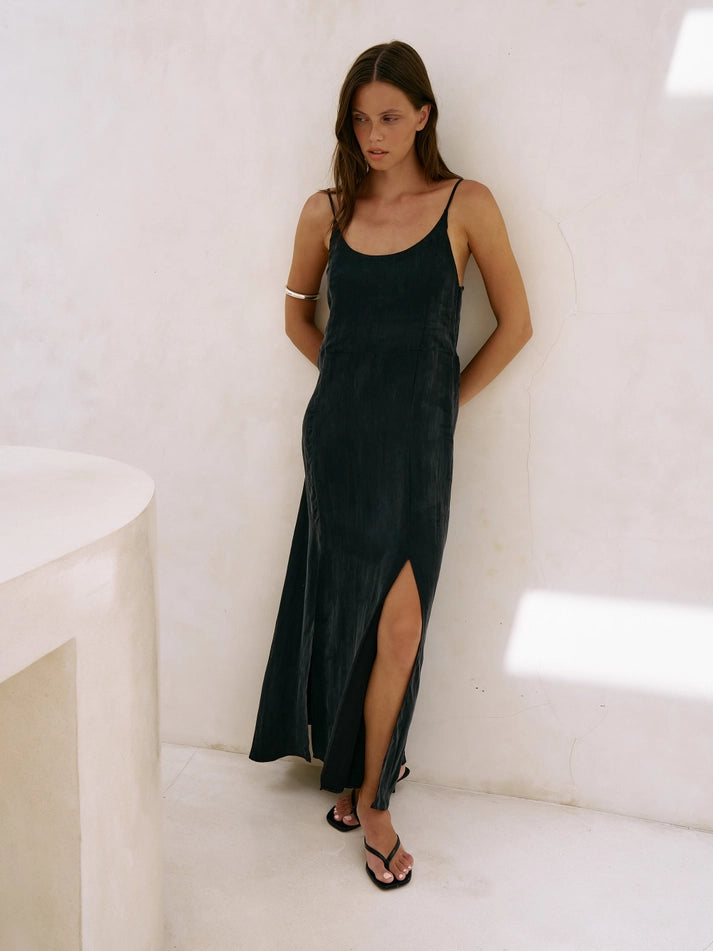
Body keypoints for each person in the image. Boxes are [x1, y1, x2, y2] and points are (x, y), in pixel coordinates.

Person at [249, 40, 532, 890]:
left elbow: (516, 325)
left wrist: (442, 405)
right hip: (338, 442)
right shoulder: (325, 212)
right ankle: (363, 778)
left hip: (417, 452)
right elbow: (297, 317)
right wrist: (347, 385)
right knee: (346, 616)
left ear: (422, 116)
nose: (372, 134)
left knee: (400, 626)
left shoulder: (466, 204)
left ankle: (370, 797)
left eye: (389, 116)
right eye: (359, 119)